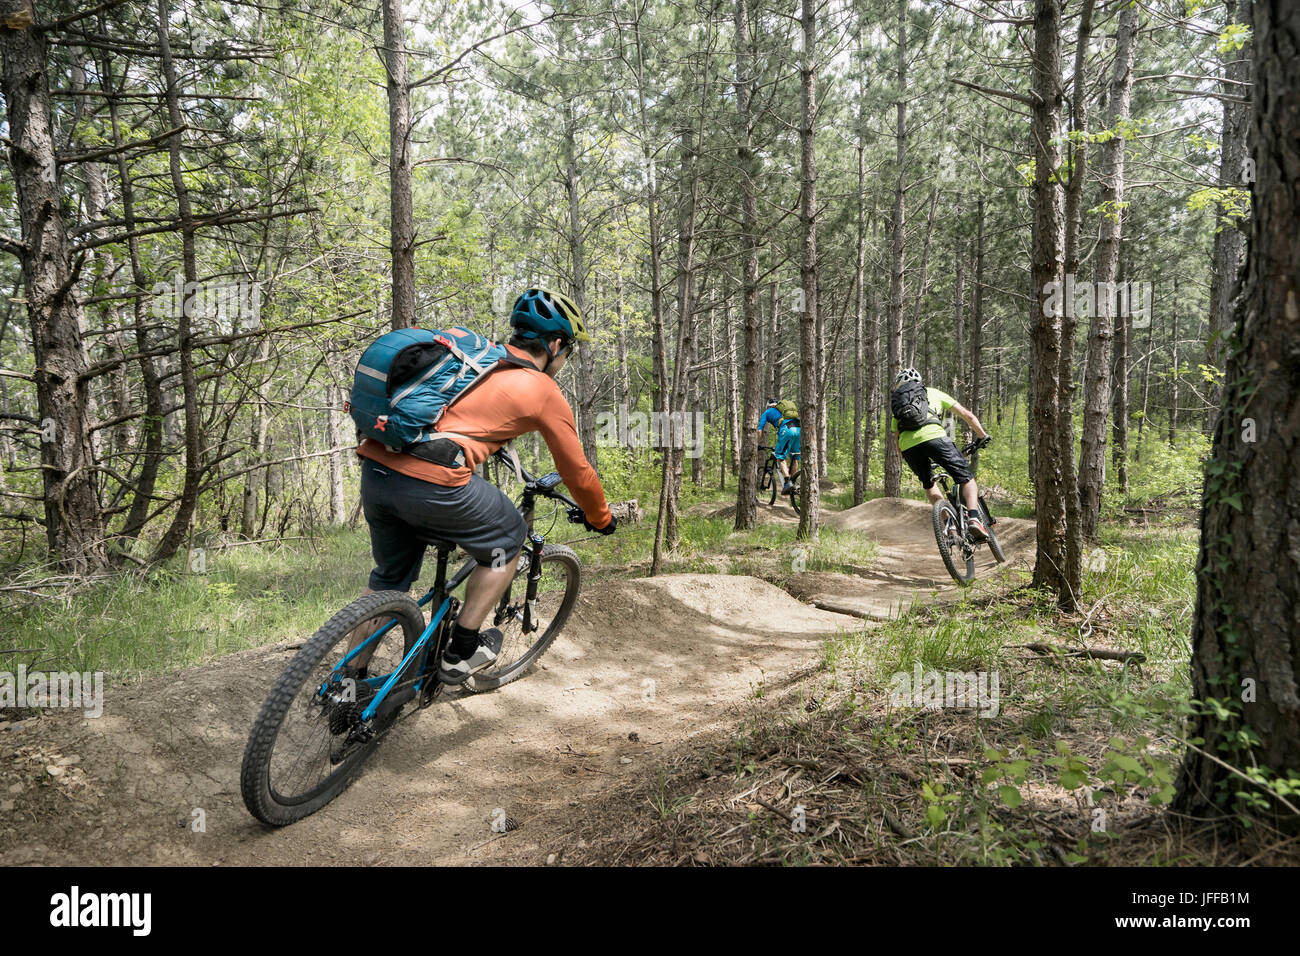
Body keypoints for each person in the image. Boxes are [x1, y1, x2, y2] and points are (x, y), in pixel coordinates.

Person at [348, 289, 615, 684]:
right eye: (568, 350)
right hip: (435, 485)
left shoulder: (475, 357)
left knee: (388, 582)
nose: (565, 359)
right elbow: (577, 471)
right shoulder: (542, 390)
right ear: (556, 344)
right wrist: (601, 517)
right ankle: (461, 652)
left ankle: (347, 685)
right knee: (508, 538)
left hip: (376, 472)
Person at [890, 368, 991, 539]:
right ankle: (974, 518)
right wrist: (982, 435)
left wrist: (908, 458)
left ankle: (949, 527)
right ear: (919, 382)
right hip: (935, 438)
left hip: (908, 448)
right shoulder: (932, 393)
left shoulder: (899, 406)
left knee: (929, 484)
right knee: (967, 479)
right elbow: (967, 415)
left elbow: (897, 440)